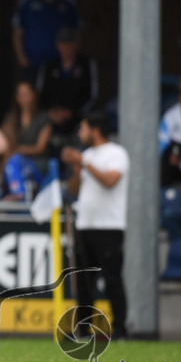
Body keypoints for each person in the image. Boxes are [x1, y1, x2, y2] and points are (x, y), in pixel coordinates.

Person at [61, 111, 129, 340]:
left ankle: (120, 328)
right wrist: (78, 169)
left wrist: (84, 163)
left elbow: (111, 181)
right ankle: (83, 328)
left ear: (96, 130)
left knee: (112, 279)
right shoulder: (87, 155)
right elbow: (74, 190)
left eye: (83, 128)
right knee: (83, 281)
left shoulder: (117, 153)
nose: (80, 134)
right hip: (85, 225)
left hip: (109, 226)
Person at [11, 0, 81, 78]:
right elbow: (17, 32)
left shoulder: (68, 2)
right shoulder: (27, 1)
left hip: (60, 63)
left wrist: (72, 58)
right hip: (32, 61)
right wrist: (21, 57)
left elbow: (77, 32)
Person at [36, 27, 98, 148]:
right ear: (57, 44)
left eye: (70, 43)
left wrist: (72, 112)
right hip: (51, 120)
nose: (66, 47)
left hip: (78, 121)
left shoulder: (86, 65)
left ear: (76, 44)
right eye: (63, 43)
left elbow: (92, 96)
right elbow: (39, 94)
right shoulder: (49, 66)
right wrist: (51, 112)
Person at [2, 80, 52, 174]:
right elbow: (6, 141)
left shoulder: (43, 118)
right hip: (14, 159)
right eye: (20, 94)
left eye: (27, 93)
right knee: (11, 162)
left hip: (37, 160)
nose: (24, 97)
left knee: (15, 163)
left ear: (34, 95)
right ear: (17, 97)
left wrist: (18, 150)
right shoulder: (11, 118)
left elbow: (40, 148)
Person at [0, 126, 41, 201]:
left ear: (6, 139)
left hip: (22, 211)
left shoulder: (13, 162)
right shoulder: (19, 158)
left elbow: (19, 195)